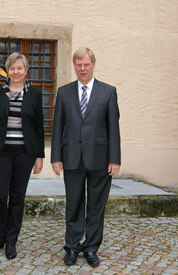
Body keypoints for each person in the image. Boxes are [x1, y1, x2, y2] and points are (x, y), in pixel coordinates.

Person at [51, 47, 121, 267]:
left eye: (86, 65)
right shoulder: (64, 92)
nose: (82, 69)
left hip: (100, 158)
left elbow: (113, 128)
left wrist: (115, 158)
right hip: (71, 157)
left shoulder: (108, 92)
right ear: (74, 66)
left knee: (96, 206)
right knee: (73, 204)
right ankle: (71, 247)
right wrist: (56, 157)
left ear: (93, 65)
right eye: (79, 65)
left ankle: (91, 248)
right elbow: (57, 127)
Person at [0, 52, 44, 260]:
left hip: (25, 154)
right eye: (12, 68)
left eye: (19, 68)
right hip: (1, 152)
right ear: (6, 70)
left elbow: (38, 127)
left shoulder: (35, 94)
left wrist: (39, 156)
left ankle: (11, 241)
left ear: (26, 71)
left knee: (17, 198)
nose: (15, 72)